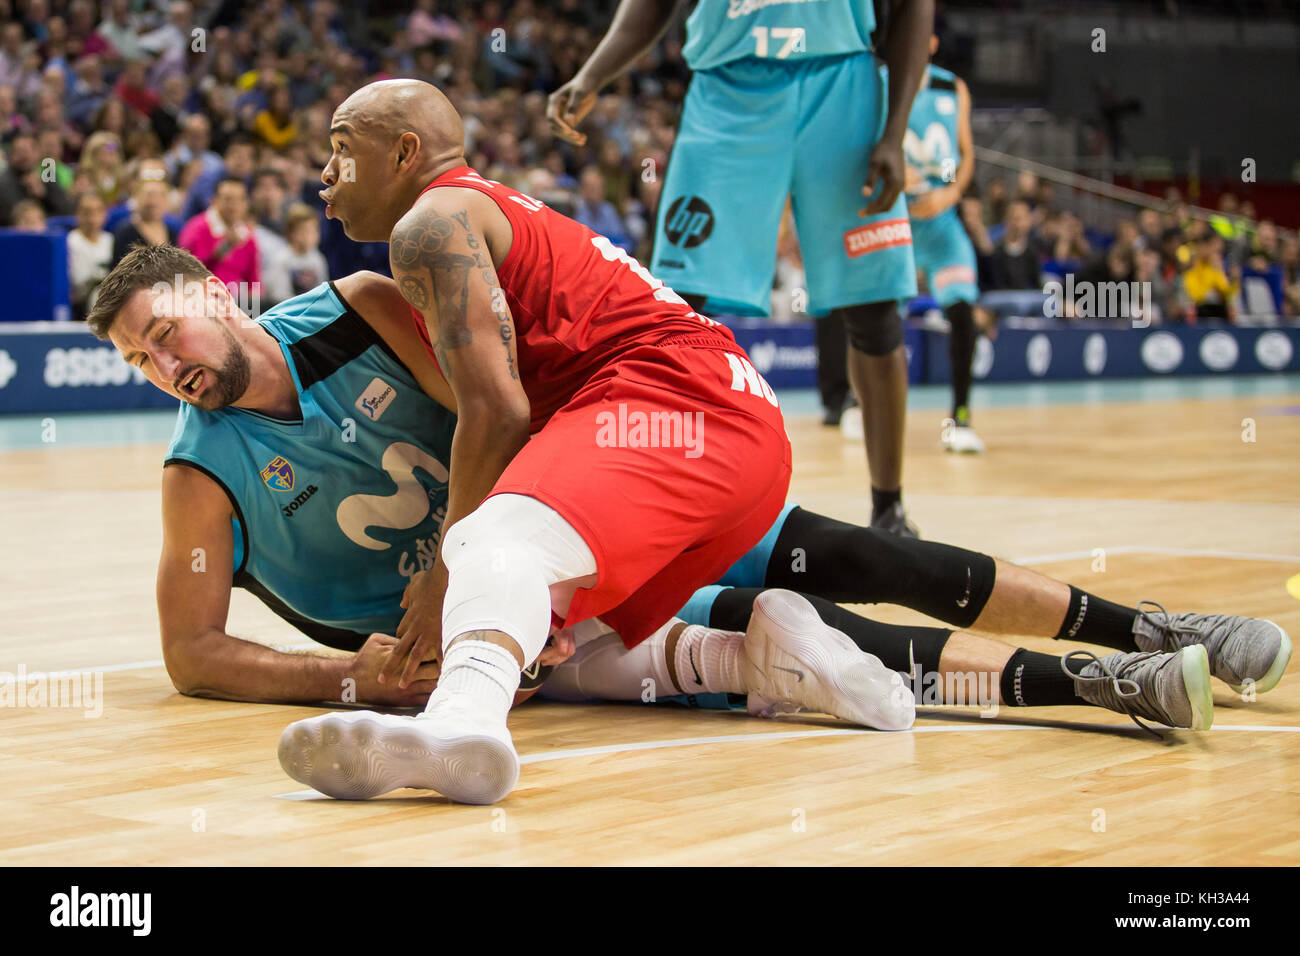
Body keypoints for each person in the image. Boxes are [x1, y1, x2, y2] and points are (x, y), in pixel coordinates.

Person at [85, 250, 1290, 755]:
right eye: (143, 361)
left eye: (163, 329)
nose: (165, 363)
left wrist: (489, 549)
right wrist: (356, 677)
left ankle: (1150, 626)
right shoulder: (200, 472)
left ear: (215, 292)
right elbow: (191, 654)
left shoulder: (358, 305)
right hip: (511, 627)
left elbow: (496, 414)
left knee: (850, 552)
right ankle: (1100, 685)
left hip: (558, 515)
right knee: (807, 638)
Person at [293, 77, 803, 804]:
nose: (326, 172)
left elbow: (498, 413)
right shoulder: (487, 208)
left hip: (675, 398)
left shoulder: (429, 226)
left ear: (405, 153)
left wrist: (443, 571)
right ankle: (800, 663)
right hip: (736, 429)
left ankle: (461, 727)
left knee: (489, 542)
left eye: (342, 150)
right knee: (558, 649)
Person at [549, 0, 936, 537]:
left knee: (872, 312)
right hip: (725, 92)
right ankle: (644, 500)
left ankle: (889, 508)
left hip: (843, 84)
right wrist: (592, 74)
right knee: (675, 310)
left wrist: (895, 130)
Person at [901, 33, 983, 453]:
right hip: (894, 221)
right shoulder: (880, 81)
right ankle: (863, 407)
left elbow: (967, 155)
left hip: (942, 225)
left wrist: (950, 194)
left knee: (964, 316)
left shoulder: (953, 87)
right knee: (875, 323)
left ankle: (961, 417)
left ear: (932, 42)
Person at [177, 176, 260, 292]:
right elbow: (187, 273)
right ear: (214, 200)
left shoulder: (247, 235)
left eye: (238, 199)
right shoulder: (196, 229)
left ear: (246, 204)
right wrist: (222, 250)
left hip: (236, 301)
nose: (233, 205)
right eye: (228, 199)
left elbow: (253, 281)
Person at [66, 191, 113, 320]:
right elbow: (77, 282)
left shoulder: (110, 240)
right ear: (77, 214)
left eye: (98, 211)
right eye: (87, 212)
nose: (93, 218)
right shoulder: (70, 241)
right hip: (81, 302)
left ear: (105, 214)